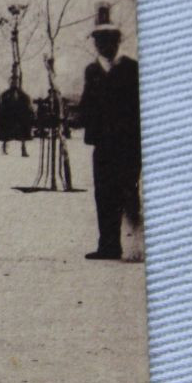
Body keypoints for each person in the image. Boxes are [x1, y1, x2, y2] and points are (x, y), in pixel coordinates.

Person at [75, 24, 141, 261]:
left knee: (128, 192)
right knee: (104, 194)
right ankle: (108, 245)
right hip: (103, 144)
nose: (103, 47)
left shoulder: (131, 69)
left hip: (128, 144)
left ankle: (137, 246)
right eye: (99, 43)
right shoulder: (93, 70)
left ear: (117, 43)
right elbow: (87, 104)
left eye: (107, 42)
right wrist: (79, 117)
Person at [0, 80, 35, 156]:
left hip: (19, 117)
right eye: (13, 83)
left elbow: (27, 105)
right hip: (9, 117)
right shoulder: (6, 94)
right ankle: (4, 147)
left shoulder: (22, 95)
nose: (14, 84)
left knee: (22, 133)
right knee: (6, 133)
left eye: (15, 83)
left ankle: (23, 149)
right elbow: (1, 107)